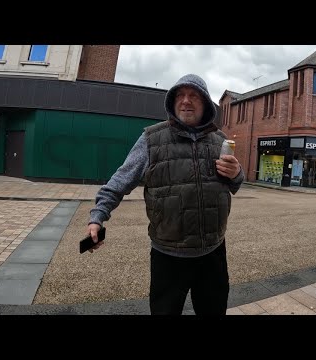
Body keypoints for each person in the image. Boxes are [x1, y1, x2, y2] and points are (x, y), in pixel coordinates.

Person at [86, 74, 245, 315]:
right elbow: (121, 180)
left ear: (205, 103)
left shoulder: (220, 141)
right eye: (180, 95)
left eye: (193, 96)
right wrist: (98, 216)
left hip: (213, 252)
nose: (186, 101)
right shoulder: (152, 138)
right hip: (168, 255)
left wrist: (236, 173)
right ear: (172, 103)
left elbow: (235, 184)